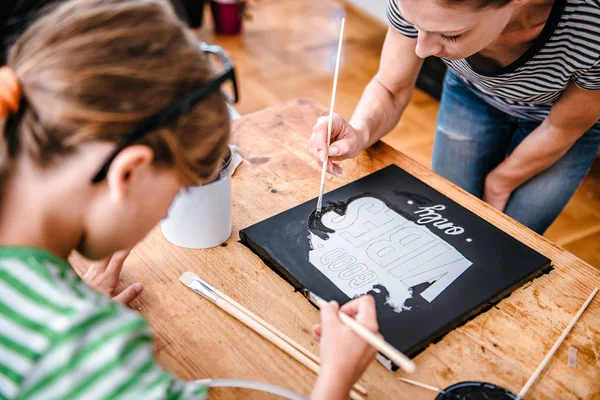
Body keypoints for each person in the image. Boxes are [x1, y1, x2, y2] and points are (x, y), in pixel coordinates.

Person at [0, 0, 379, 399]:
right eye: (177, 189)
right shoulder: (87, 350)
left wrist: (72, 302)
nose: (166, 210)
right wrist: (336, 378)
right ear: (127, 173)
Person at [310, 0, 600, 235]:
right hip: (471, 94)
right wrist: (359, 132)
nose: (422, 49)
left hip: (560, 124)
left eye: (450, 35)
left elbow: (561, 127)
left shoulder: (591, 29)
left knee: (511, 240)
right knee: (445, 217)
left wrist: (501, 182)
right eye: (415, 26)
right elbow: (389, 88)